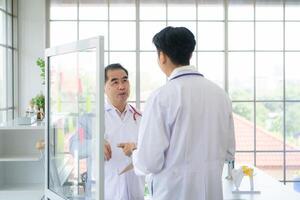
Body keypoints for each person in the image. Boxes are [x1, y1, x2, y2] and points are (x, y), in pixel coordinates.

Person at [132, 27, 235, 200]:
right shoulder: (220, 95)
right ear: (189, 54)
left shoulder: (161, 97)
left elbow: (149, 162)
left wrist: (134, 152)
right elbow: (229, 152)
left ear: (162, 56)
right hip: (211, 193)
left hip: (173, 194)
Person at [104, 63, 145, 200]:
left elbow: (151, 151)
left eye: (125, 80)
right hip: (107, 193)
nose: (121, 86)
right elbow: (75, 144)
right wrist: (94, 143)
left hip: (136, 193)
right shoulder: (93, 117)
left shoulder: (141, 117)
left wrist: (136, 149)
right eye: (114, 82)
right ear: (104, 87)